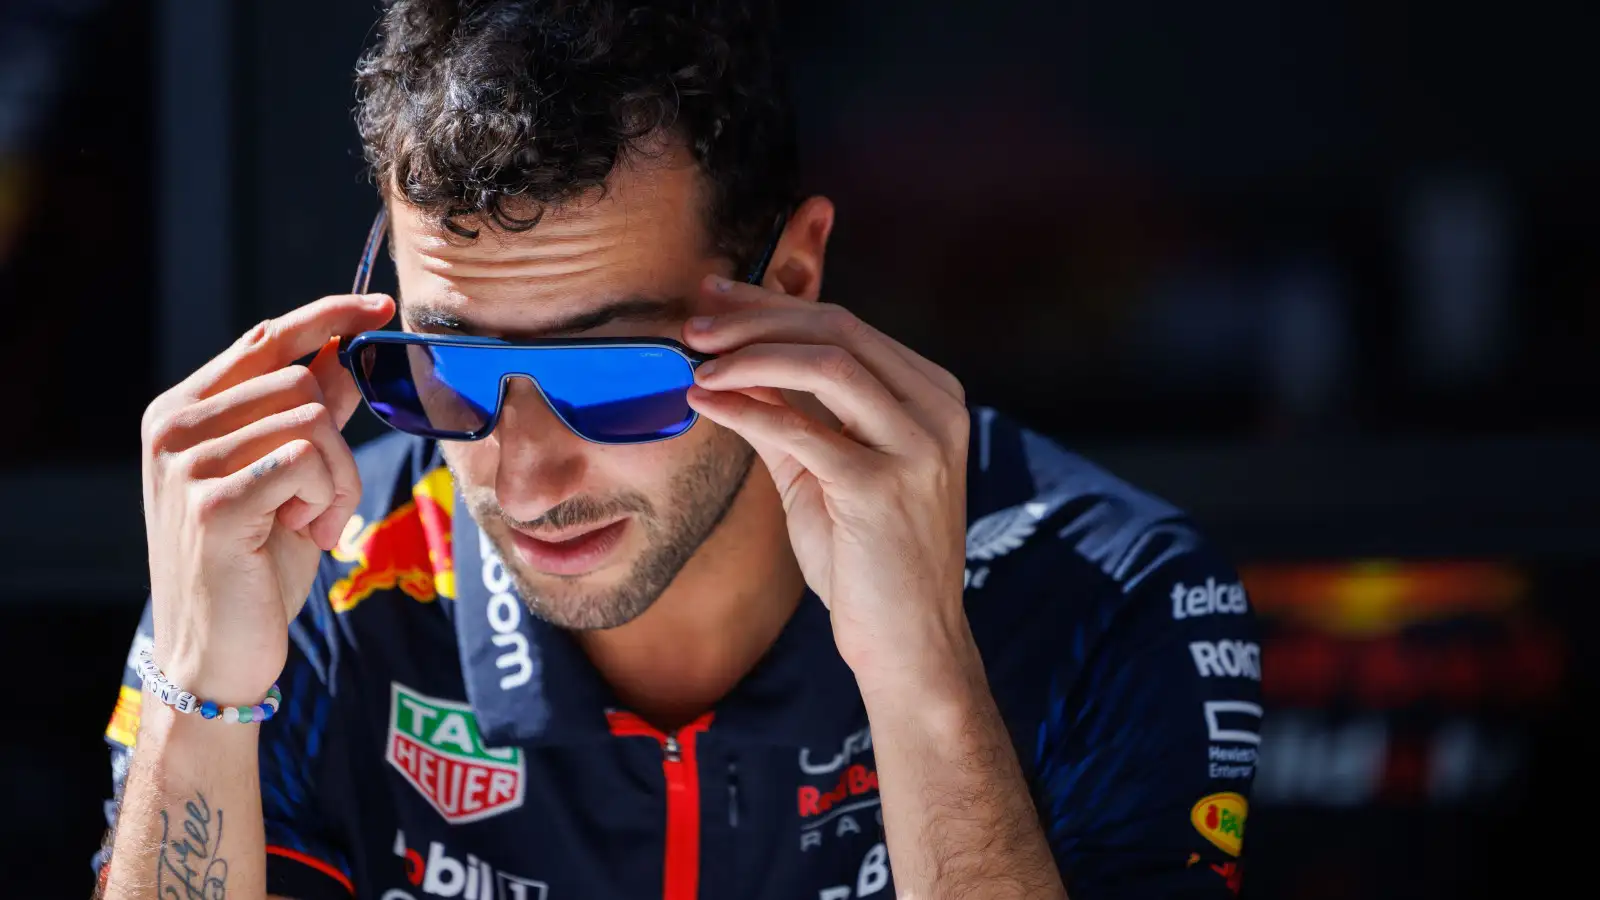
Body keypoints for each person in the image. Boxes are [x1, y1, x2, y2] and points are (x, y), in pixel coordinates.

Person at [94, 2, 1262, 898]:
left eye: (610, 378)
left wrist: (924, 681)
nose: (526, 472)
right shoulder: (297, 578)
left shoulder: (1104, 594)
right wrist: (198, 694)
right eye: (442, 366)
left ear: (790, 284)